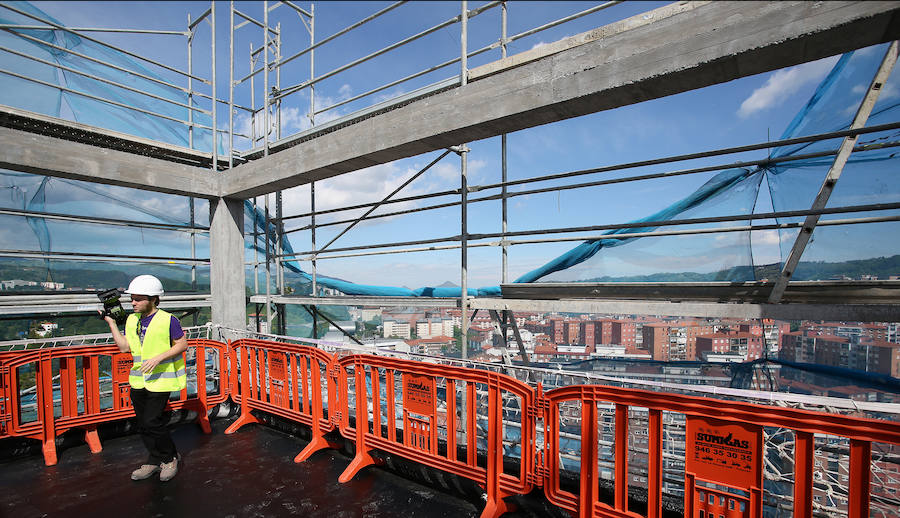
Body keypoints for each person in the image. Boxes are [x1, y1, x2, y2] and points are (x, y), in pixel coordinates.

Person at [102, 274, 188, 482]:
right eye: (132, 298)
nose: (133, 302)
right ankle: (153, 459)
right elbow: (124, 347)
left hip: (161, 379)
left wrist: (159, 358)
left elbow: (182, 344)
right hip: (139, 379)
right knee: (143, 423)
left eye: (139, 299)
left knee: (152, 421)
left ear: (154, 299)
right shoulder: (132, 320)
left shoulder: (168, 320)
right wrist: (111, 323)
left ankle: (169, 458)